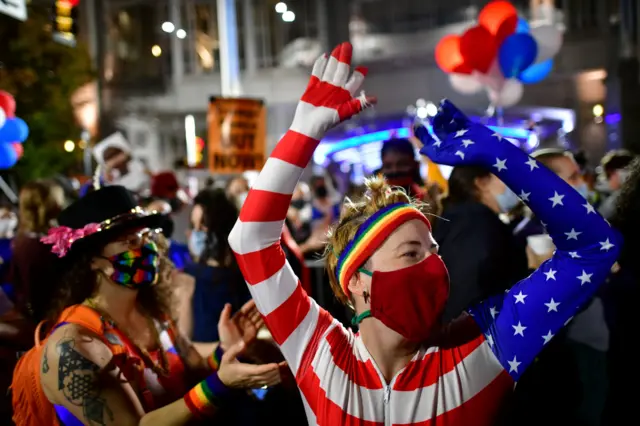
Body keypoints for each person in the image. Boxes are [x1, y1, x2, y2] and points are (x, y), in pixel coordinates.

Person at [227, 42, 620, 424]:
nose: (434, 266)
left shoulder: (483, 345)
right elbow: (250, 241)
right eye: (412, 253)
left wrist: (499, 155)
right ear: (357, 283)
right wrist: (302, 133)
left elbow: (594, 248)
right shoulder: (317, 348)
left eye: (435, 251)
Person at [12, 185, 284, 425]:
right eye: (130, 242)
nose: (147, 249)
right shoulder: (73, 347)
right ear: (92, 260)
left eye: (147, 238)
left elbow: (191, 365)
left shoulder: (152, 313)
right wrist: (220, 385)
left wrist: (226, 348)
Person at [434, 165, 529, 322]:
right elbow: (471, 289)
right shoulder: (475, 224)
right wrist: (532, 268)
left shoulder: (464, 219)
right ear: (482, 183)